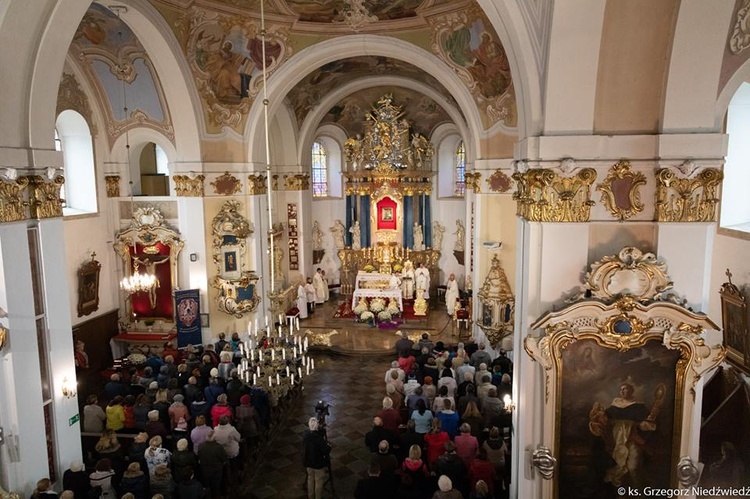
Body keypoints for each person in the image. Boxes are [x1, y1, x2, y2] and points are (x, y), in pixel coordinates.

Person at [589, 382, 661, 487]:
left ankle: (639, 491)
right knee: (617, 467)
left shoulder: (639, 407)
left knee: (633, 467)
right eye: (621, 389)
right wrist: (596, 416)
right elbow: (604, 421)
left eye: (625, 389)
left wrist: (650, 418)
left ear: (631, 391)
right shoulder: (614, 406)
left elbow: (647, 425)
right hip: (617, 441)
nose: (622, 391)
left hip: (633, 440)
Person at [303, 417, 330, 499]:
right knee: (319, 481)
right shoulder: (319, 439)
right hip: (318, 464)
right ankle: (318, 497)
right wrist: (329, 447)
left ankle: (310, 496)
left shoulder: (306, 435)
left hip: (308, 462)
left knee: (310, 479)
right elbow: (326, 450)